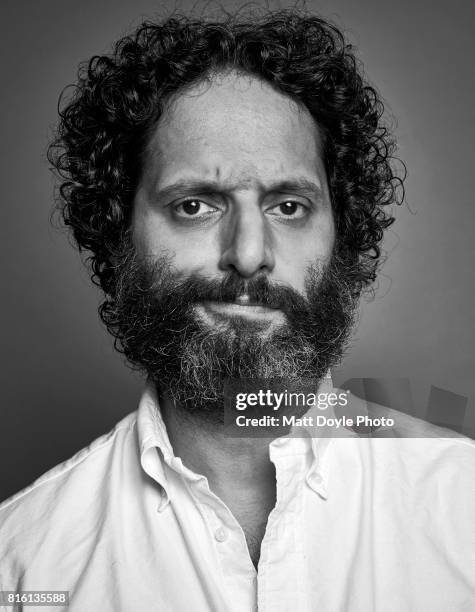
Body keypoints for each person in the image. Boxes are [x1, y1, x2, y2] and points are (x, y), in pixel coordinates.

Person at [0, 9, 474, 612]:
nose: (249, 255)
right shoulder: (19, 568)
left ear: (340, 231)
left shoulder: (465, 513)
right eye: (196, 205)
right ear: (118, 230)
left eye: (289, 206)